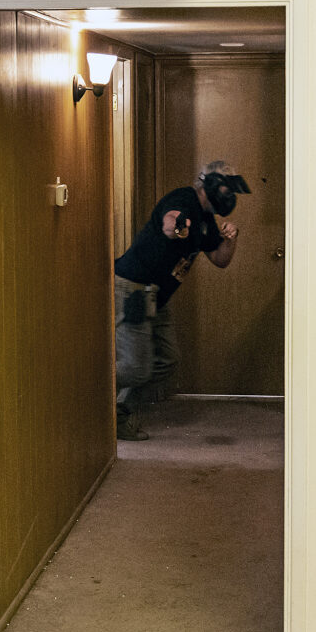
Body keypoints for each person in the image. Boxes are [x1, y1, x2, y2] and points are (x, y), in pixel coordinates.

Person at [113, 160, 251, 440]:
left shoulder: (207, 221)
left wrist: (231, 239)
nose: (229, 197)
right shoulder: (183, 199)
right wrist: (179, 227)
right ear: (209, 184)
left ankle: (119, 413)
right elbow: (170, 223)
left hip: (156, 296)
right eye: (226, 188)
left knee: (167, 360)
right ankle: (83, 398)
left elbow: (220, 260)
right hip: (134, 288)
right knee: (137, 368)